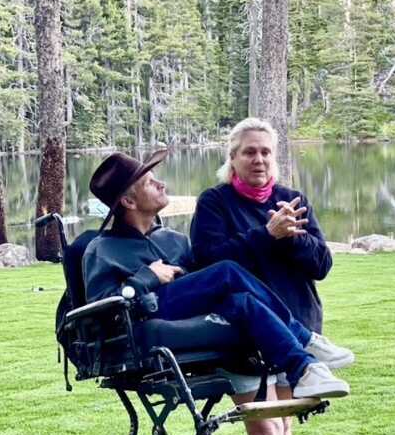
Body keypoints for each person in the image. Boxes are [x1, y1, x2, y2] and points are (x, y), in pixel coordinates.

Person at [189, 118, 350, 435]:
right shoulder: (215, 203)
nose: (258, 160)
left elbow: (321, 265)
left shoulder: (292, 201)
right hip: (242, 335)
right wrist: (265, 235)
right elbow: (207, 264)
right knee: (262, 427)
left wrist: (292, 238)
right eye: (249, 152)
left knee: (281, 427)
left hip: (296, 328)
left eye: (265, 152)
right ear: (233, 158)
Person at [81, 149, 353, 403]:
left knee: (243, 301)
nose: (162, 184)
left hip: (187, 313)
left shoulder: (173, 240)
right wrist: (146, 278)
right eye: (150, 183)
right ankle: (306, 339)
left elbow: (204, 283)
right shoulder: (102, 249)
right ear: (128, 201)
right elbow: (100, 314)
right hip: (144, 316)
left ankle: (304, 370)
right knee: (226, 271)